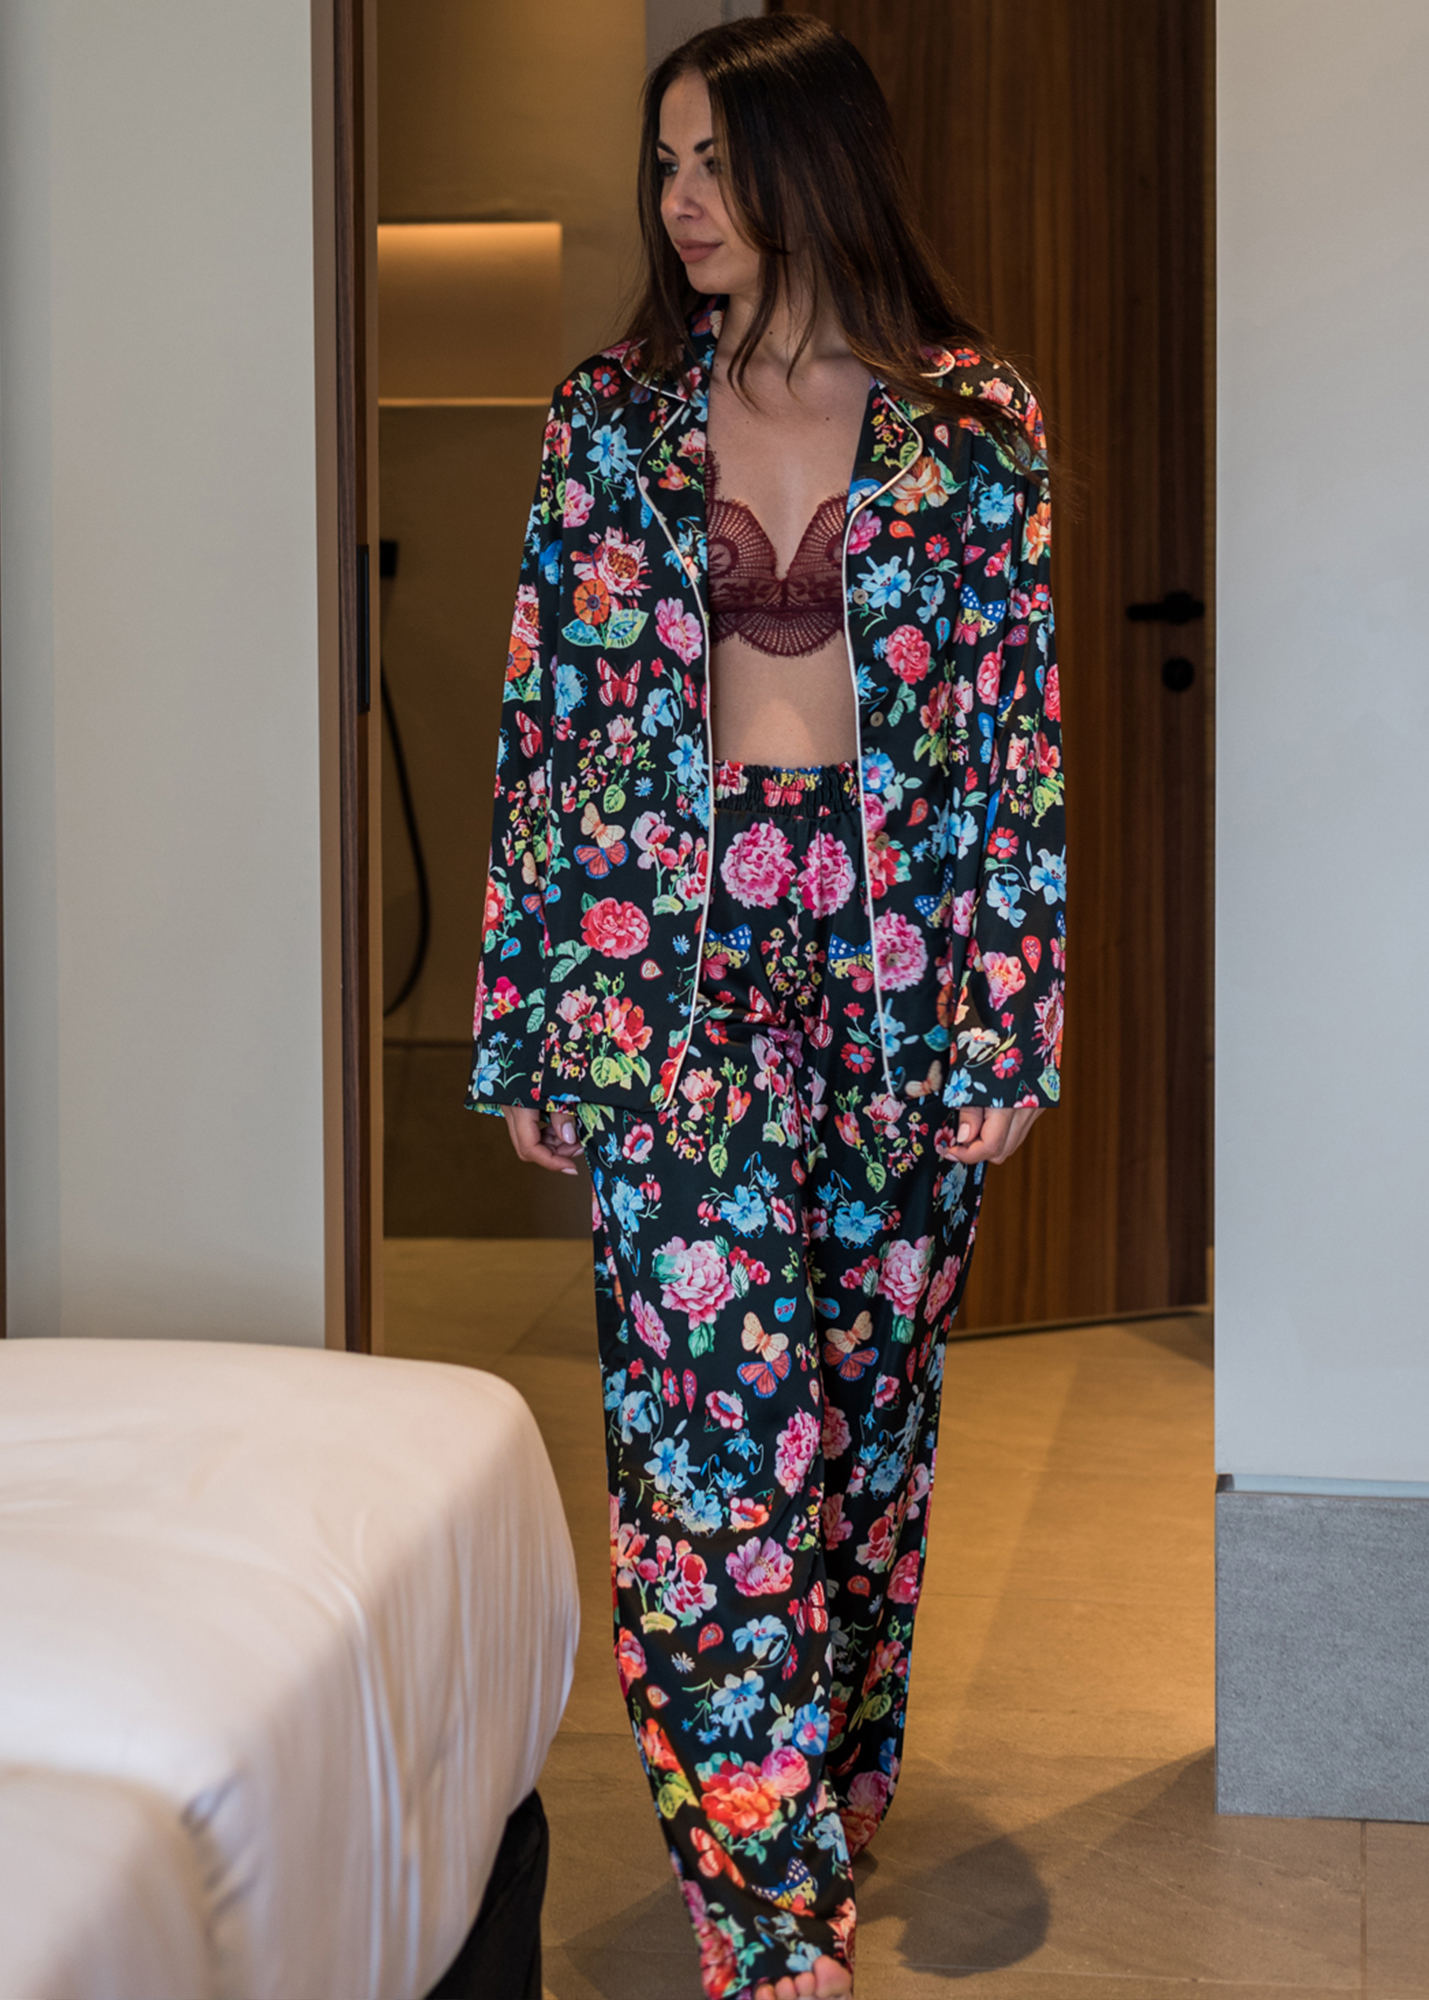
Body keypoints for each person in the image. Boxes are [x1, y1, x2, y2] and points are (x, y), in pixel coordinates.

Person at [467, 16, 1064, 1997]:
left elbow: (1011, 742)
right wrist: (534, 1012)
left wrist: (1008, 1013)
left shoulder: (974, 421)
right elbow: (547, 727)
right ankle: (765, 1911)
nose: (682, 200)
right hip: (672, 978)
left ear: (820, 161)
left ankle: (831, 1804)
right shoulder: (609, 416)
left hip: (900, 983)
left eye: (716, 158)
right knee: (708, 1456)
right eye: (665, 163)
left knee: (864, 1440)